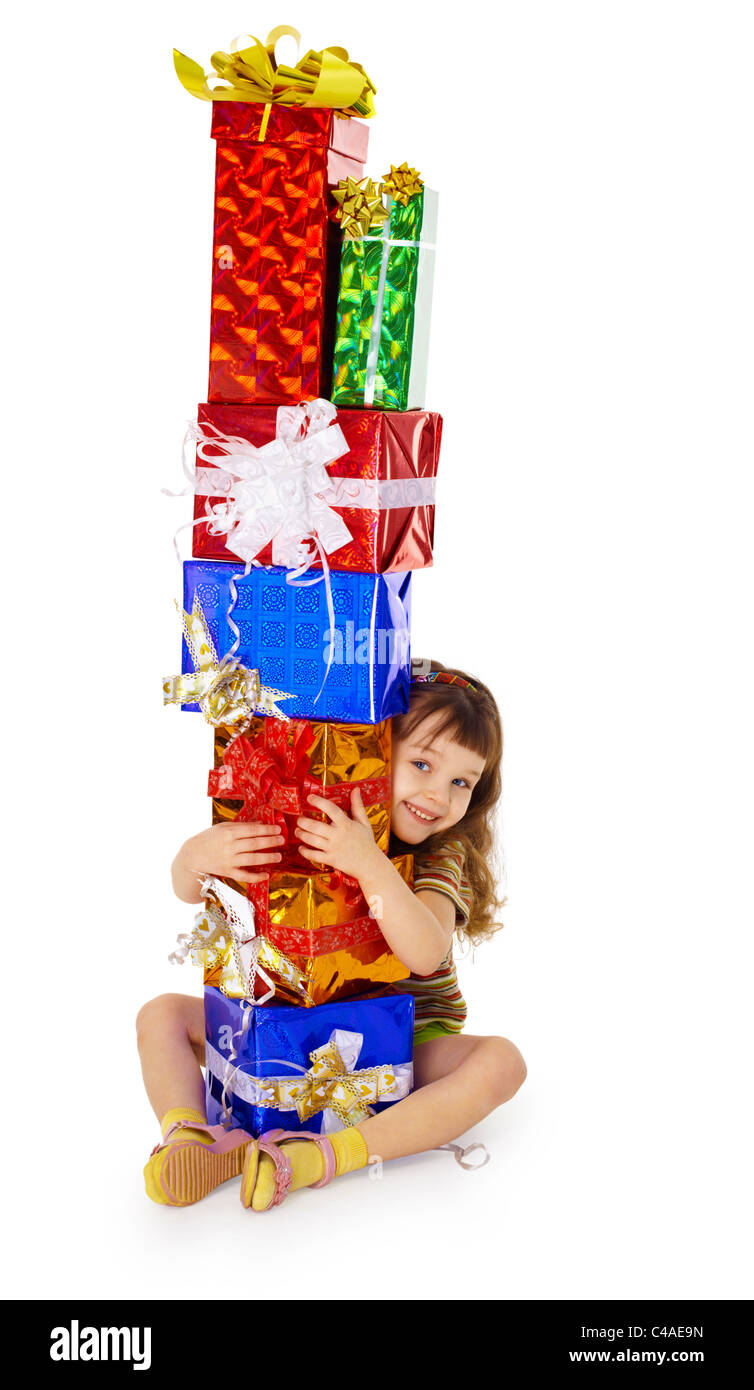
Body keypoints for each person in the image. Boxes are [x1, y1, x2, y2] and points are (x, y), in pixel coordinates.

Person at [137, 663, 527, 1210]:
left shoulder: (443, 853)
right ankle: (193, 1137)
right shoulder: (310, 816)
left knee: (503, 1062)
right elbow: (193, 891)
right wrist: (193, 859)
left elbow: (424, 952)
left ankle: (322, 1155)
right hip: (290, 1030)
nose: (439, 795)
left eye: (461, 781)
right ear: (372, 747)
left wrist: (370, 863)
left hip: (404, 1048)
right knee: (160, 1015)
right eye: (421, 764)